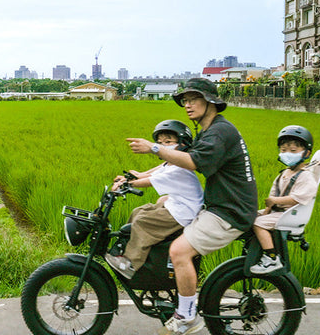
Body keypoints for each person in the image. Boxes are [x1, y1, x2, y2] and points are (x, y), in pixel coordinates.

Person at [126, 78, 258, 335]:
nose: (187, 105)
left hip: (230, 211)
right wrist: (140, 174)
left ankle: (187, 317)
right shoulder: (209, 131)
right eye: (185, 101)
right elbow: (176, 161)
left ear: (210, 101)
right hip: (220, 205)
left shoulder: (220, 132)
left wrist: (153, 148)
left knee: (179, 251)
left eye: (193, 99)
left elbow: (193, 162)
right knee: (163, 213)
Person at [105, 120, 204, 280]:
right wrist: (128, 177)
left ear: (183, 144)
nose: (163, 146)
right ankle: (130, 251)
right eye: (159, 143)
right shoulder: (170, 163)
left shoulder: (179, 169)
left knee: (143, 222)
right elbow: (147, 174)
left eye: (168, 142)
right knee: (139, 212)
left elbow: (146, 182)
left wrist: (127, 183)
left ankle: (130, 263)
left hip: (183, 213)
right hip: (176, 206)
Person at [250, 125, 318, 274]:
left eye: (293, 151)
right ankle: (255, 251)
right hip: (278, 212)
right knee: (250, 216)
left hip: (288, 214)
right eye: (283, 150)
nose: (287, 154)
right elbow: (273, 195)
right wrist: (266, 210)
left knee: (258, 224)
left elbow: (295, 199)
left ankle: (272, 257)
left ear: (307, 153)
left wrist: (275, 202)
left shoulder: (305, 176)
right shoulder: (283, 173)